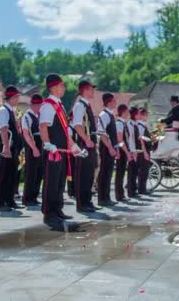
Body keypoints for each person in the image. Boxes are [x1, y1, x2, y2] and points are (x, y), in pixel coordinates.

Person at [40, 74, 79, 230]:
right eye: (62, 85)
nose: (64, 88)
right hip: (53, 151)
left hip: (62, 150)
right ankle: (49, 215)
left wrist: (73, 145)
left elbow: (64, 130)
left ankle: (57, 210)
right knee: (51, 183)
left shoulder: (59, 105)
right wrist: (48, 144)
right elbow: (43, 127)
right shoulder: (48, 105)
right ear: (54, 87)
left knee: (59, 182)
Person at [0, 86, 24, 212]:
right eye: (16, 96)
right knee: (3, 175)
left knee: (12, 174)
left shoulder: (11, 110)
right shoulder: (3, 110)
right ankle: (0, 202)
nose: (18, 99)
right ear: (10, 98)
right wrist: (6, 147)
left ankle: (9, 199)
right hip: (7, 147)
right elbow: (4, 129)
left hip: (13, 147)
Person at [71, 80, 99, 212]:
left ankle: (87, 201)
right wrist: (87, 140)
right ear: (84, 90)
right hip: (84, 144)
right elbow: (77, 125)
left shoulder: (87, 105)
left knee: (89, 174)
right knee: (82, 174)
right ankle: (82, 204)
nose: (93, 91)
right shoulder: (79, 106)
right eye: (90, 88)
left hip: (90, 143)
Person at [96, 93, 119, 206]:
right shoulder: (104, 115)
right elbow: (102, 133)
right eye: (114, 101)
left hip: (111, 147)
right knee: (104, 172)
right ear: (109, 102)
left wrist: (116, 148)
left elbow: (113, 135)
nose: (115, 102)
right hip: (106, 147)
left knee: (109, 173)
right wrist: (110, 147)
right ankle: (102, 198)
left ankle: (107, 197)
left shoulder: (110, 114)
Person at [21, 94, 44, 206]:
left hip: (39, 146)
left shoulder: (36, 116)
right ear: (35, 105)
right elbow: (26, 134)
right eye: (40, 105)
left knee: (38, 173)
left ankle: (34, 196)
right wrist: (34, 148)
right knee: (31, 173)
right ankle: (27, 198)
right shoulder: (27, 116)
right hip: (32, 147)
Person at [114, 104, 132, 202]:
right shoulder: (119, 124)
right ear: (122, 112)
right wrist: (127, 152)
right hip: (121, 150)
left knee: (121, 173)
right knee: (120, 173)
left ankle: (121, 194)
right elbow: (120, 139)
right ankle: (119, 195)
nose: (127, 114)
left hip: (123, 149)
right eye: (126, 112)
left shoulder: (123, 123)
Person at [137, 107, 152, 195]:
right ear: (141, 116)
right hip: (143, 150)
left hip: (146, 149)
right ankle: (141, 189)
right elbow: (141, 139)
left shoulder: (143, 125)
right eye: (145, 115)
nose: (147, 116)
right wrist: (145, 152)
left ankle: (143, 188)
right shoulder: (140, 126)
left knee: (145, 170)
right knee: (143, 170)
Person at [126, 107, 140, 198]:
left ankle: (134, 189)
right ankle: (131, 191)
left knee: (135, 171)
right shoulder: (130, 124)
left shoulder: (135, 124)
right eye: (138, 113)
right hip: (132, 150)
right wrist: (132, 151)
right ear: (134, 114)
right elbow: (130, 139)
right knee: (131, 171)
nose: (139, 115)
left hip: (136, 150)